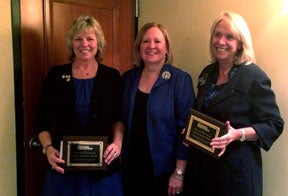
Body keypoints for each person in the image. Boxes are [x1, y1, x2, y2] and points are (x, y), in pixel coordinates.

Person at [183, 11, 284, 196]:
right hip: (203, 172)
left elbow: (274, 124)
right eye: (217, 34)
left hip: (235, 175)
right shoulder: (207, 73)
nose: (221, 41)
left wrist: (238, 134)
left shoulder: (254, 77)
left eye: (229, 37)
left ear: (240, 43)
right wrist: (191, 132)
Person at [35, 15, 124, 196]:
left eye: (90, 38)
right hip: (63, 170)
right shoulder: (55, 75)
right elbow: (42, 120)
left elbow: (118, 117)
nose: (85, 44)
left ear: (98, 42)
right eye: (78, 39)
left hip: (104, 172)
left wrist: (117, 143)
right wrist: (48, 149)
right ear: (71, 43)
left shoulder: (112, 77)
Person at [121, 22, 196, 196]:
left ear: (167, 48)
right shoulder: (128, 78)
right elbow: (120, 119)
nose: (151, 46)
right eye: (146, 41)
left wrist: (179, 173)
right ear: (139, 46)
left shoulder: (180, 80)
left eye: (157, 41)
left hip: (165, 172)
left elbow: (187, 131)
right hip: (131, 169)